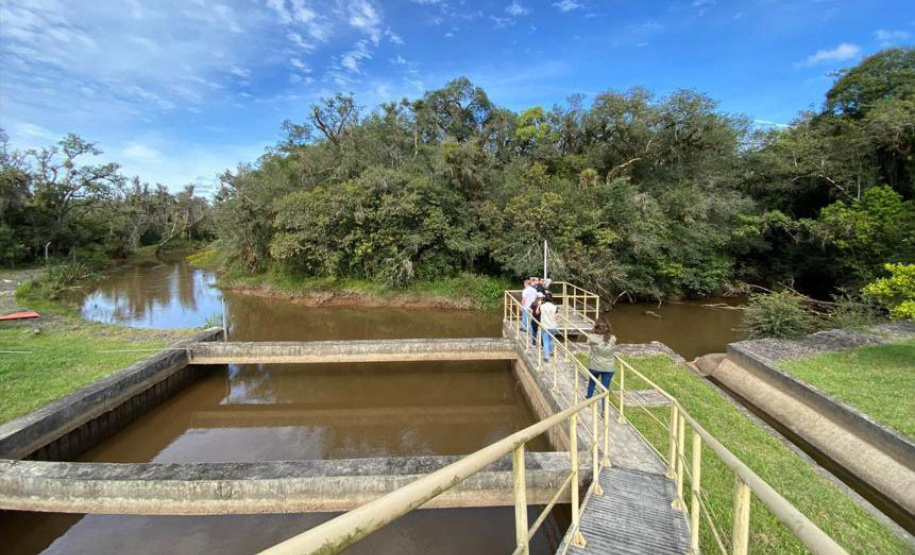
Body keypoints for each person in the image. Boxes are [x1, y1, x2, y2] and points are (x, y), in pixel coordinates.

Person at [586, 322, 617, 404]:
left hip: (594, 366)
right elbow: (613, 343)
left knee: (592, 383)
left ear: (596, 329)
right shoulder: (612, 338)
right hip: (609, 367)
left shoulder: (592, 337)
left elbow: (587, 343)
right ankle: (604, 409)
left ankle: (589, 399)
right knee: (605, 389)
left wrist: (592, 332)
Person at [539, 292, 558, 361]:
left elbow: (538, 312)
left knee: (545, 341)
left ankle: (546, 357)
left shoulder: (542, 306)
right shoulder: (554, 307)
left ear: (544, 299)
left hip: (545, 326)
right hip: (553, 326)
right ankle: (551, 352)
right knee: (551, 339)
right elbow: (557, 316)